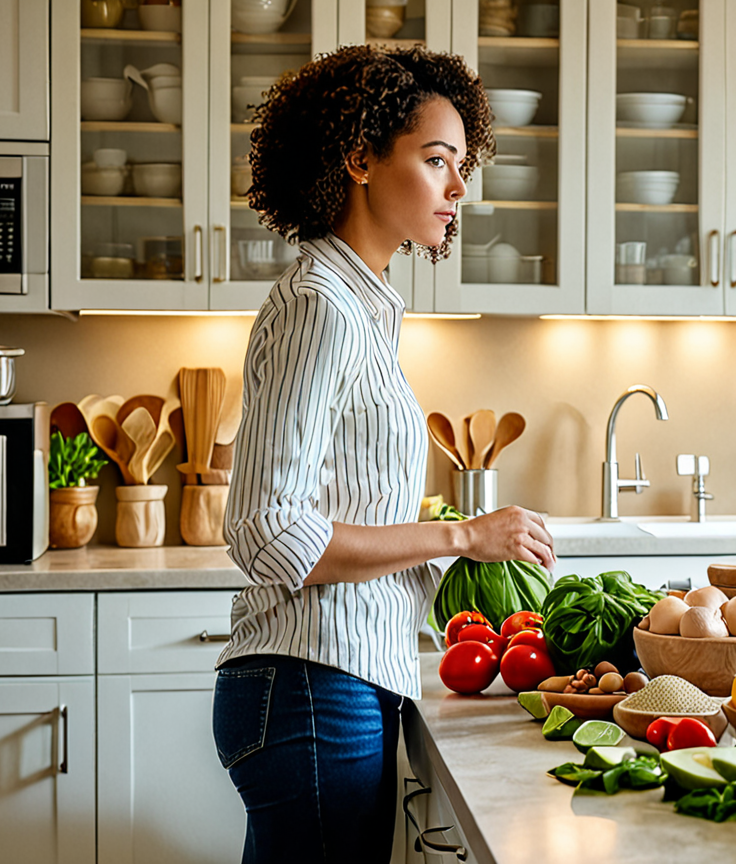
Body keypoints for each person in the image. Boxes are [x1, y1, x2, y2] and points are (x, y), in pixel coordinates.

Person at [210, 44, 555, 864]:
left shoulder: (363, 307)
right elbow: (268, 532)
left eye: (461, 165)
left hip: (334, 683)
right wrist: (464, 536)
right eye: (437, 161)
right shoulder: (319, 307)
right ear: (360, 158)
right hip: (309, 687)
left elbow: (342, 508)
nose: (458, 189)